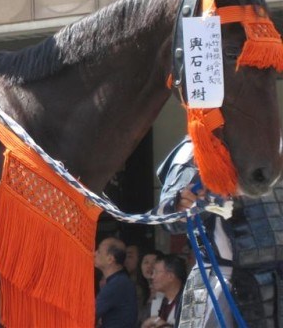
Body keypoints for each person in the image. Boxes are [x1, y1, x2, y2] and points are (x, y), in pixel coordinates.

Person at [156, 136, 283, 327]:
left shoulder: (276, 144)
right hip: (220, 280)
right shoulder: (194, 149)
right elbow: (167, 215)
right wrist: (181, 204)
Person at [94, 236, 138, 327]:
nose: (94, 254)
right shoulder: (120, 281)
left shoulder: (117, 284)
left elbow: (90, 313)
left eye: (99, 251)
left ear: (110, 259)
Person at [141, 255, 186, 328]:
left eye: (156, 272)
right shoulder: (157, 300)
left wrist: (158, 322)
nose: (152, 277)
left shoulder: (187, 301)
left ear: (170, 276)